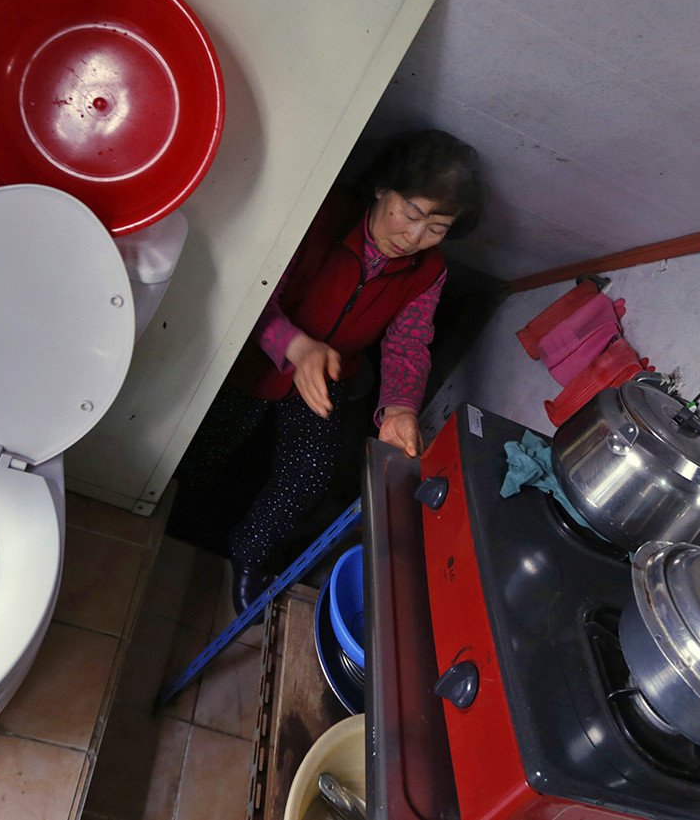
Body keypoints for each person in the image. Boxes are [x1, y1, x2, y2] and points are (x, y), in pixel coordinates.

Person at [169, 129, 483, 614]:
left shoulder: (429, 270)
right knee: (209, 439)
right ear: (382, 188)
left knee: (310, 471)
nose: (415, 237)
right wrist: (295, 347)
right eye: (411, 214)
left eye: (437, 228)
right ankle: (169, 508)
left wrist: (399, 409)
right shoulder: (320, 215)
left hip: (330, 371)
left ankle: (249, 554)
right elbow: (258, 292)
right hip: (258, 354)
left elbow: (408, 342)